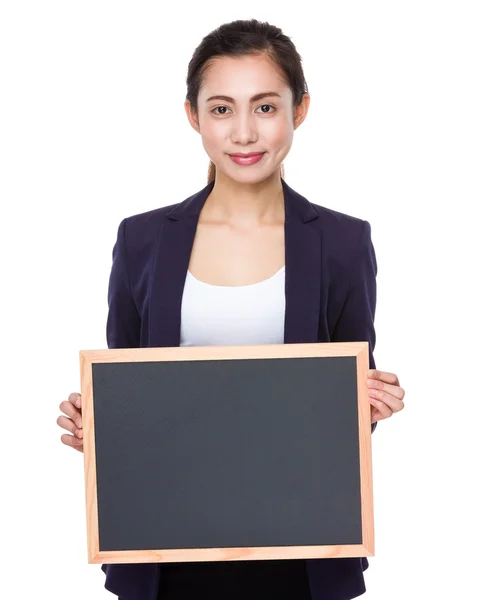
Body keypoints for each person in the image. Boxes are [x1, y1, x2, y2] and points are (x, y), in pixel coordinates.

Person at [57, 18, 405, 600]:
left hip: (301, 550)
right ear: (193, 116)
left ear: (300, 110)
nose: (244, 132)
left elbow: (340, 405)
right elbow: (126, 387)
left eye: (265, 107)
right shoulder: (143, 239)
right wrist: (96, 423)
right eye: (222, 109)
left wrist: (372, 402)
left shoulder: (343, 242)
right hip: (163, 550)